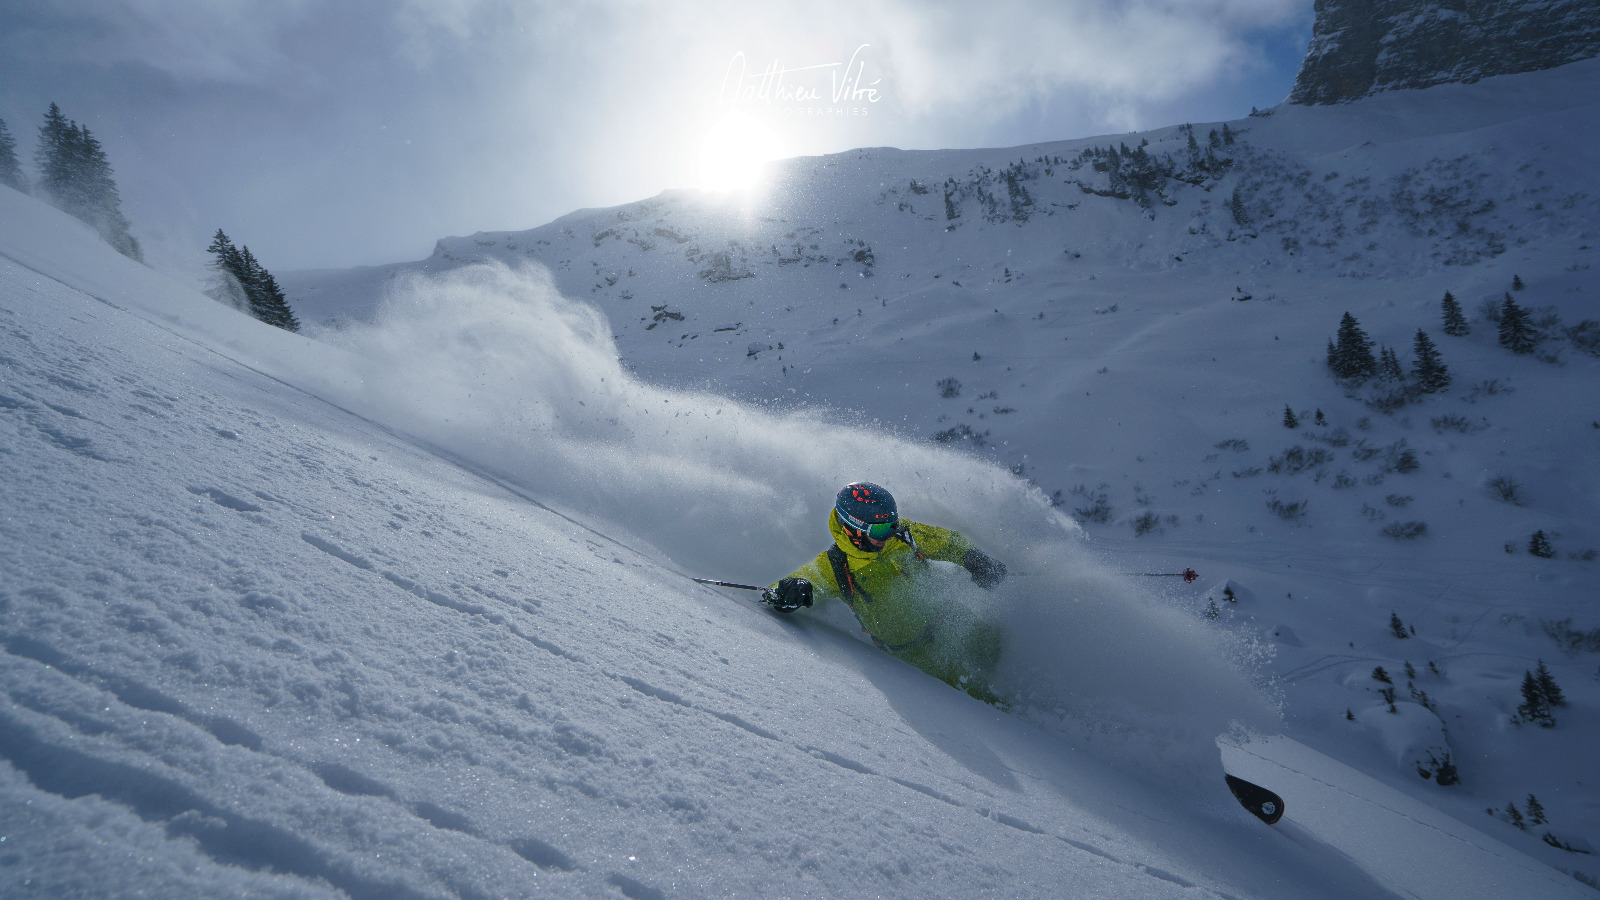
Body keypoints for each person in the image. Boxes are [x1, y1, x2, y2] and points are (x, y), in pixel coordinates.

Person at [767, 482, 1009, 705]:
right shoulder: (836, 566)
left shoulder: (902, 534)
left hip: (950, 618)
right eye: (881, 529)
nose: (889, 533)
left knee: (998, 647)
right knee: (981, 701)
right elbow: (804, 581)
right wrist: (792, 590)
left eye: (891, 525)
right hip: (916, 655)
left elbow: (946, 542)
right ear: (854, 528)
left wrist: (972, 559)